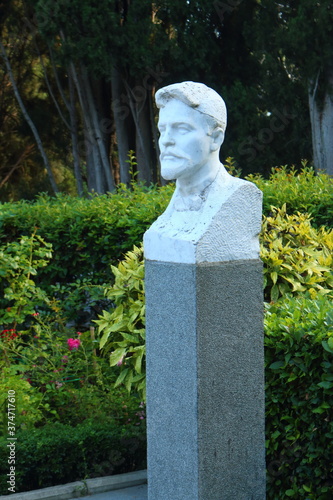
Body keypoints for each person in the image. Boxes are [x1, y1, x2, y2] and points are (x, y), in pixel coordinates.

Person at [144, 81, 262, 263]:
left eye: (182, 129)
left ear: (216, 138)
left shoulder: (241, 196)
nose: (166, 141)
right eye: (162, 130)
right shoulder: (167, 217)